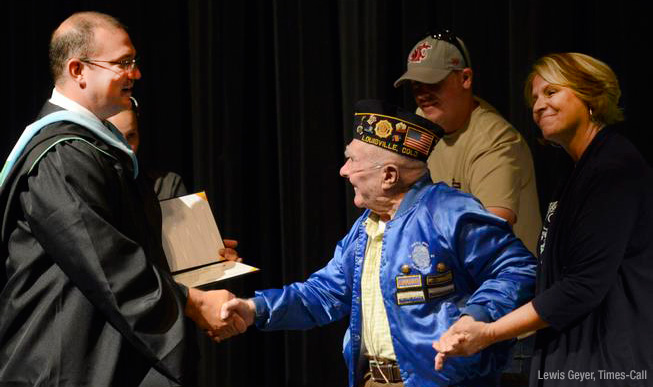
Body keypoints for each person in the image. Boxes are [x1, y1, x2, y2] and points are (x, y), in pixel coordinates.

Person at [0, 12, 243, 386]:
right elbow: (108, 265)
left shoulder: (92, 152)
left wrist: (198, 256)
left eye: (135, 62)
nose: (137, 73)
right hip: (63, 364)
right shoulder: (61, 156)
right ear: (78, 70)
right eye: (123, 63)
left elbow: (121, 246)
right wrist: (195, 304)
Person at [221, 99, 536, 387]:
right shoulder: (366, 228)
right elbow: (325, 293)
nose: (343, 171)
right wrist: (255, 308)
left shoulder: (448, 211)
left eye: (352, 161)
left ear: (388, 175)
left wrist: (476, 317)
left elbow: (518, 270)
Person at [433, 53, 653, 387]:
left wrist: (489, 332)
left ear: (590, 95)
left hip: (609, 364)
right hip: (575, 358)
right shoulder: (575, 171)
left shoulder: (613, 169)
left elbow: (582, 285)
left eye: (551, 93)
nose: (538, 106)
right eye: (534, 98)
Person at [394, 30, 541, 255]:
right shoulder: (422, 121)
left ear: (465, 78)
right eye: (416, 86)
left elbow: (489, 235)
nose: (422, 95)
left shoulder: (496, 141)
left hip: (504, 277)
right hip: (451, 266)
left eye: (432, 83)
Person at [107, 96, 188, 200]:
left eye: (131, 136)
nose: (125, 147)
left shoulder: (168, 186)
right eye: (116, 137)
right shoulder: (95, 188)